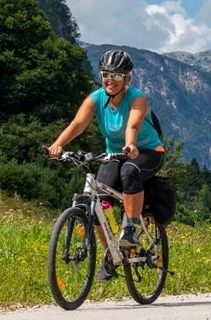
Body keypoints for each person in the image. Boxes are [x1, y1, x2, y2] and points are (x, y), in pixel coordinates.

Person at [47, 49, 165, 251]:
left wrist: (130, 144)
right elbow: (78, 124)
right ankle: (110, 253)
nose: (111, 80)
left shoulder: (137, 98)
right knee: (98, 199)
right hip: (113, 154)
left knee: (129, 171)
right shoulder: (96, 98)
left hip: (147, 152)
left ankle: (131, 228)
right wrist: (58, 144)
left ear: (127, 78)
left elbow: (132, 126)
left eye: (117, 75)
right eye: (106, 75)